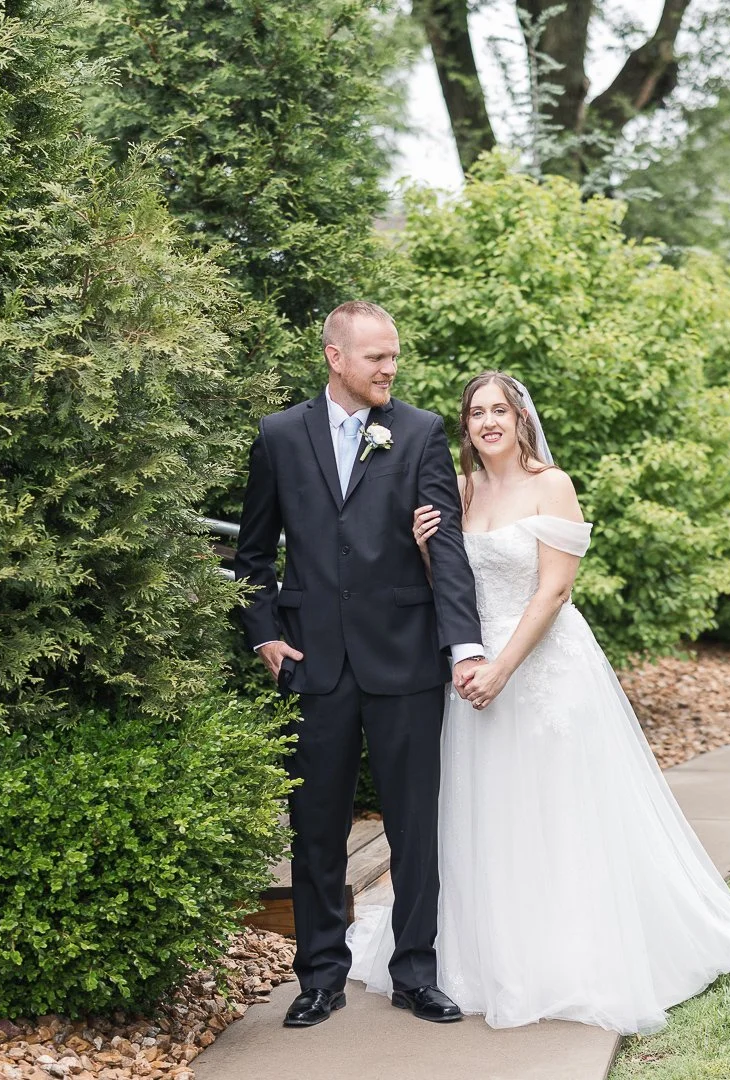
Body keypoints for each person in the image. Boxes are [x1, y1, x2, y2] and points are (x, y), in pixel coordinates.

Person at [345, 371, 730, 1035]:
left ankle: (568, 958)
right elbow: (453, 587)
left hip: (540, 671)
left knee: (557, 810)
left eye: (499, 411)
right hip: (473, 673)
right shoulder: (460, 490)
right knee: (483, 813)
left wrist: (501, 668)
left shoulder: (552, 484)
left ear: (520, 420)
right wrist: (429, 553)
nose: (488, 422)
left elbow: (553, 593)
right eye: (476, 412)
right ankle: (484, 958)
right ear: (465, 425)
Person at [234, 301, 486, 1028]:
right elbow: (253, 556)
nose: (390, 368)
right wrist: (263, 636)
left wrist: (462, 645)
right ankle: (319, 976)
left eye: (394, 355)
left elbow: (450, 552)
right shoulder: (280, 436)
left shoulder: (419, 432)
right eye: (376, 357)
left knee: (414, 825)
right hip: (313, 661)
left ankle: (416, 973)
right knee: (315, 826)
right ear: (335, 357)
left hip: (406, 656)